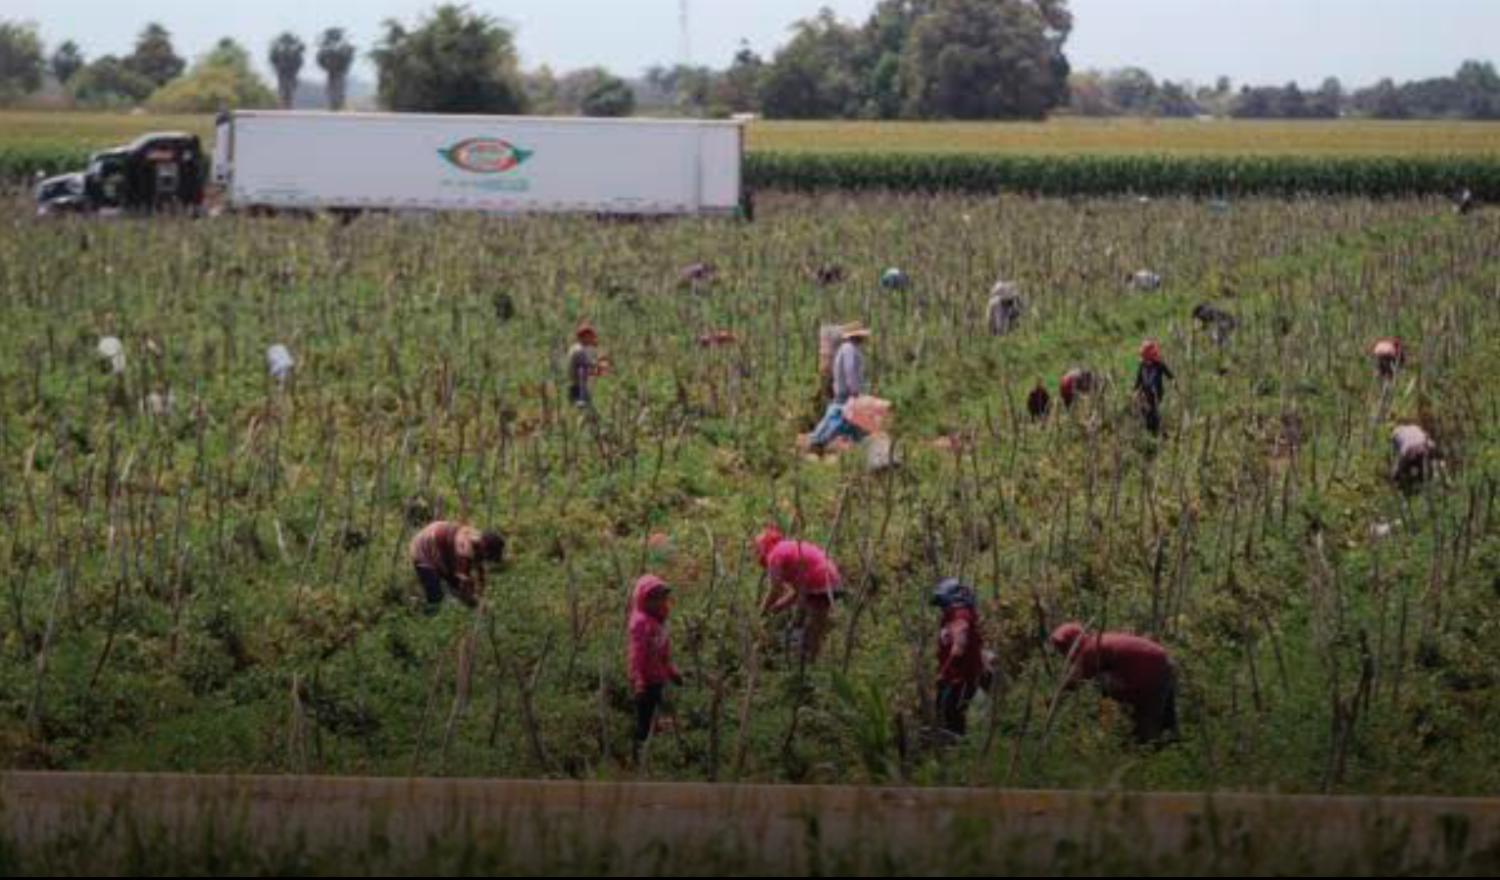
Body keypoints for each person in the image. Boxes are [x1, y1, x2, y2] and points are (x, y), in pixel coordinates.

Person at [1050, 622, 1178, 744]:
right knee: (1165, 721)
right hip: (1163, 663)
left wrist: (1052, 704)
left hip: (1149, 673)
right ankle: (1173, 751)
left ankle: (1146, 758)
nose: (1062, 653)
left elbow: (1073, 682)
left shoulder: (1090, 650)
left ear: (1072, 643)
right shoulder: (1097, 641)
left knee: (1145, 722)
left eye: (1062, 648)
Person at [756, 526, 841, 664]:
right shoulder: (787, 549)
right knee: (814, 628)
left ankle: (807, 666)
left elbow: (775, 589)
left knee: (811, 629)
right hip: (830, 579)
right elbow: (797, 592)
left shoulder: (774, 555)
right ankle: (810, 661)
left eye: (759, 547)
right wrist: (777, 608)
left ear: (765, 545)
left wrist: (761, 613)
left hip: (820, 581)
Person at [628, 575, 683, 759]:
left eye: (661, 597)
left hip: (658, 678)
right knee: (644, 720)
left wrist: (671, 671)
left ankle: (656, 748)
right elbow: (637, 654)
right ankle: (639, 756)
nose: (659, 601)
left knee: (657, 714)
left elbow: (662, 653)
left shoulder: (658, 621)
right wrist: (638, 680)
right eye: (654, 598)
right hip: (646, 681)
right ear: (644, 599)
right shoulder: (641, 623)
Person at [932, 578, 986, 740]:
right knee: (945, 714)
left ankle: (957, 754)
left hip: (961, 678)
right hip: (953, 678)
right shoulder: (951, 616)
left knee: (953, 716)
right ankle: (950, 753)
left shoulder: (960, 615)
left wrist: (943, 673)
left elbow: (959, 647)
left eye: (942, 602)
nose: (941, 607)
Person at [409, 521, 506, 611]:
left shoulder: (480, 541)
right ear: (485, 550)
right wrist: (476, 604)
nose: (488, 560)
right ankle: (427, 618)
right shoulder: (464, 550)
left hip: (441, 546)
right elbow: (463, 582)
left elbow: (480, 571)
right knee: (436, 597)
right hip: (422, 549)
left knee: (456, 583)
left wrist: (482, 593)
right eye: (489, 556)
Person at [810, 323, 872, 452]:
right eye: (861, 335)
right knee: (836, 417)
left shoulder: (849, 348)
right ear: (856, 336)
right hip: (846, 391)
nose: (863, 338)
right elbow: (850, 371)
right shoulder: (849, 349)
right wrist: (855, 391)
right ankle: (817, 440)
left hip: (846, 390)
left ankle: (860, 444)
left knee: (854, 420)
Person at [1135, 340, 1175, 435]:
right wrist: (1135, 392)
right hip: (1145, 395)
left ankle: (1158, 433)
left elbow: (1170, 376)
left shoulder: (1159, 364)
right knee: (1146, 414)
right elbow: (1138, 380)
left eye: (1145, 354)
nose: (1144, 356)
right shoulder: (1142, 365)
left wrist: (1174, 385)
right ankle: (1153, 432)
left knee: (1152, 413)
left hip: (1156, 395)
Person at [567, 324, 609, 408]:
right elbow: (587, 364)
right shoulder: (578, 350)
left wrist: (599, 366)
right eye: (590, 336)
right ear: (583, 337)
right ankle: (582, 401)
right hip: (578, 389)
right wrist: (601, 365)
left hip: (578, 386)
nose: (592, 339)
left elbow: (589, 366)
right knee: (586, 414)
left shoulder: (580, 348)